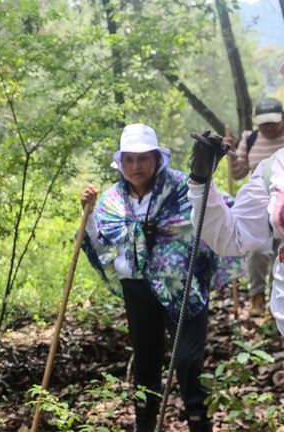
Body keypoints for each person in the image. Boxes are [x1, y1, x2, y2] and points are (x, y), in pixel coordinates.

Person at [81, 124, 241, 432]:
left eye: (143, 158)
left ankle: (199, 422)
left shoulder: (184, 186)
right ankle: (145, 424)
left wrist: (205, 179)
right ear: (121, 162)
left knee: (188, 361)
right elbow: (102, 244)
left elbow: (216, 215)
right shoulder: (112, 200)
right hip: (137, 289)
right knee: (146, 363)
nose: (136, 166)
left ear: (157, 159)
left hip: (181, 288)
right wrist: (87, 215)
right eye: (129, 159)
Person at [188, 130, 284, 337]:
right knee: (260, 255)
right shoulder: (274, 169)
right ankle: (257, 297)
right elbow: (232, 237)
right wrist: (200, 179)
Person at [228, 97, 284, 313]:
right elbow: (239, 172)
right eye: (263, 123)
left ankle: (276, 303)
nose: (268, 127)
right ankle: (257, 297)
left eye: (272, 122)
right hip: (258, 205)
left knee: (279, 256)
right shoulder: (250, 139)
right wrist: (232, 153)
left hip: (281, 206)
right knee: (258, 251)